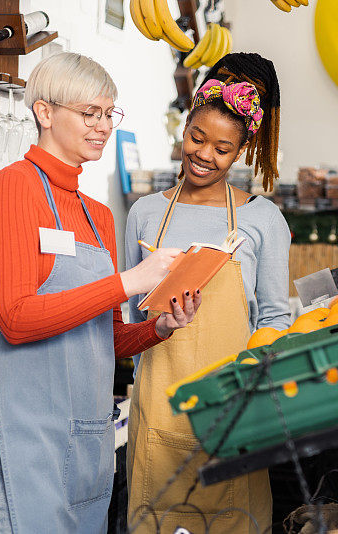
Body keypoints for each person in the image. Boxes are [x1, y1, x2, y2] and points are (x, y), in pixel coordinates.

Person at [0, 52, 201, 533]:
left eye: (109, 113)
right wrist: (129, 282)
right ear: (44, 112)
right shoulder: (13, 188)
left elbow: (105, 339)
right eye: (89, 113)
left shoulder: (98, 215)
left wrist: (159, 327)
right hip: (21, 429)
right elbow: (16, 319)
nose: (103, 126)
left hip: (84, 435)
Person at [125, 53, 291, 533]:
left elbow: (276, 321)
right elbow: (126, 316)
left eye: (222, 148)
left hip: (232, 417)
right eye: (197, 138)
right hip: (158, 411)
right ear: (184, 129)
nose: (204, 154)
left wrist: (251, 395)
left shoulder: (262, 219)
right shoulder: (145, 214)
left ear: (239, 153)